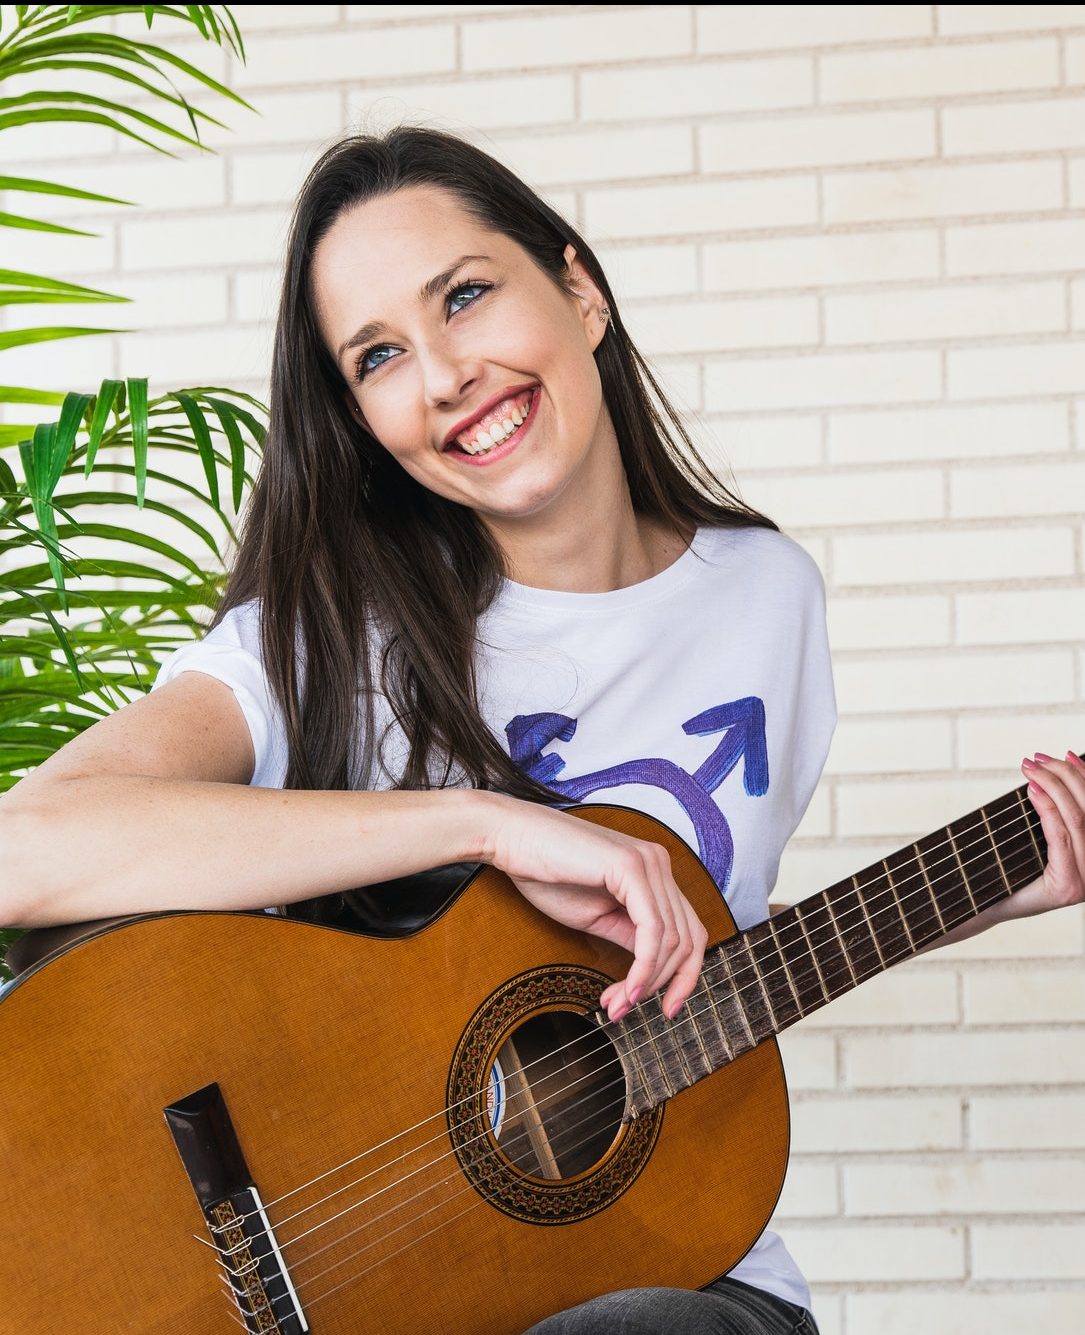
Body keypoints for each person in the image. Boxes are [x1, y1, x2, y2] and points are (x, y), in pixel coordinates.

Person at [1, 125, 1082, 1335]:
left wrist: (980, 886)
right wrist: (493, 828)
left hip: (675, 1271)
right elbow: (24, 849)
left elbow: (690, 943)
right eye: (378, 357)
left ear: (578, 291)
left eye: (464, 296)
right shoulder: (328, 635)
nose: (446, 374)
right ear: (361, 419)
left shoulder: (764, 594)